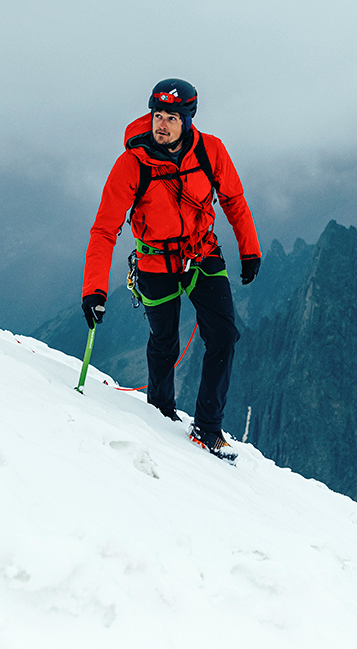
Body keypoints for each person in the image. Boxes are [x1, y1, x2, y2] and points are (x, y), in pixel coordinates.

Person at [81, 79, 261, 460]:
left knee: (224, 337)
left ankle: (208, 429)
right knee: (164, 343)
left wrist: (250, 250)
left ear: (188, 120)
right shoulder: (132, 163)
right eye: (157, 115)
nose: (160, 124)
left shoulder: (211, 152)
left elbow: (234, 199)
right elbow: (104, 229)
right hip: (155, 260)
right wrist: (94, 289)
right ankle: (160, 416)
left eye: (170, 118)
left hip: (201, 254)